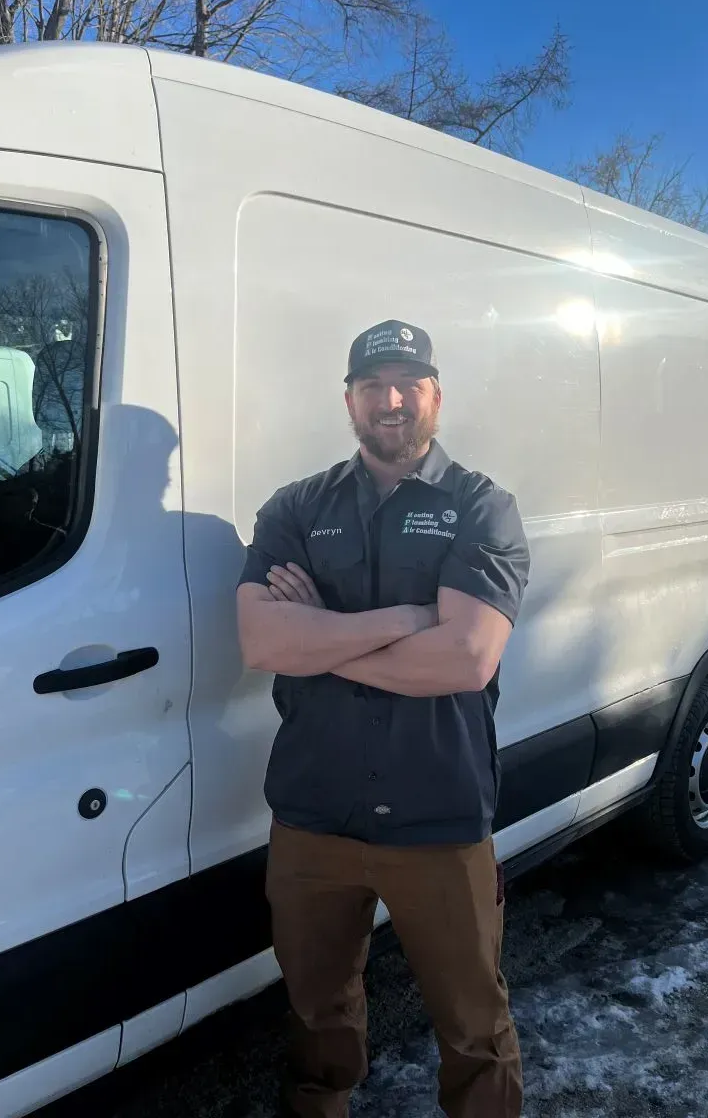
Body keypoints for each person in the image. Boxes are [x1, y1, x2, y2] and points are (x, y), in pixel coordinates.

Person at [236, 319, 531, 1118]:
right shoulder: (296, 507)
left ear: (435, 395)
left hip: (439, 815)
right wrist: (408, 617)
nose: (390, 400)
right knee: (315, 1016)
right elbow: (263, 639)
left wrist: (321, 637)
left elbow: (466, 660)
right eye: (373, 385)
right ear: (349, 400)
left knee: (473, 1027)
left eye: (407, 383)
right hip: (313, 814)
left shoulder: (480, 507)